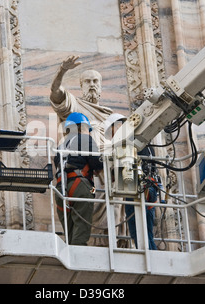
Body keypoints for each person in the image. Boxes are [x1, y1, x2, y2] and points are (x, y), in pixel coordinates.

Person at [50, 55, 122, 246]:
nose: (92, 85)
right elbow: (56, 93)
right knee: (84, 214)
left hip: (93, 175)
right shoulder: (75, 106)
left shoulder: (109, 114)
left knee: (116, 196)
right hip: (88, 172)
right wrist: (62, 71)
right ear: (81, 86)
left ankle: (107, 243)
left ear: (101, 86)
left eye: (95, 81)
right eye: (88, 81)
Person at [104, 113, 159, 250]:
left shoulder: (127, 143)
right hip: (150, 188)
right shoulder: (146, 143)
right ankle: (153, 255)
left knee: (139, 233)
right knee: (147, 232)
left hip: (136, 187)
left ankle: (153, 259)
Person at [54, 112, 103, 246]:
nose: (89, 132)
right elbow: (96, 162)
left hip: (60, 190)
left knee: (70, 233)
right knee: (81, 229)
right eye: (88, 129)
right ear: (81, 127)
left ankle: (71, 253)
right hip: (81, 186)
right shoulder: (85, 140)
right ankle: (79, 258)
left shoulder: (60, 147)